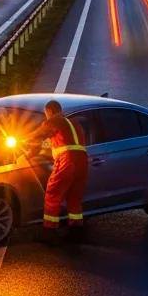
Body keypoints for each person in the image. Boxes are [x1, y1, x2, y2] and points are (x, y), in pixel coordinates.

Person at [24, 100, 88, 241]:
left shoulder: (53, 121)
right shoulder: (74, 123)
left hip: (67, 160)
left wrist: (23, 141)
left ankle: (50, 232)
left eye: (46, 114)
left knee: (52, 195)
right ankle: (76, 231)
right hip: (83, 162)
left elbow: (37, 137)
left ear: (50, 112)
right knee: (74, 197)